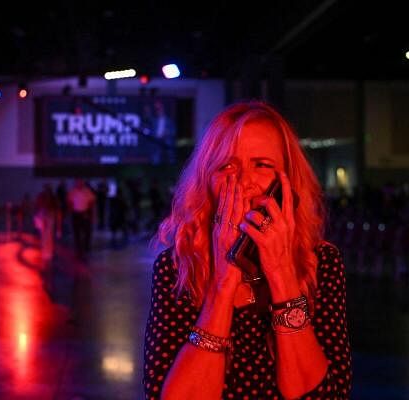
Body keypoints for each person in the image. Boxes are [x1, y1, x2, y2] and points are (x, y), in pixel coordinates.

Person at [143, 101, 351, 399]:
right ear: (206, 181)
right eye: (227, 166)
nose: (244, 183)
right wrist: (223, 283)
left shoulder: (322, 263)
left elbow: (327, 396)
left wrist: (281, 275)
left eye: (262, 165)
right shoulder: (179, 266)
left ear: (288, 181)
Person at [67, 179, 96, 259]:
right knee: (76, 231)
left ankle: (86, 247)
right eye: (77, 182)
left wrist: (91, 214)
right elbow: (69, 202)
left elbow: (92, 202)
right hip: (76, 214)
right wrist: (70, 212)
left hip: (85, 213)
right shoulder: (72, 191)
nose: (79, 183)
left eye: (81, 182)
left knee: (87, 231)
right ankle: (78, 247)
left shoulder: (87, 191)